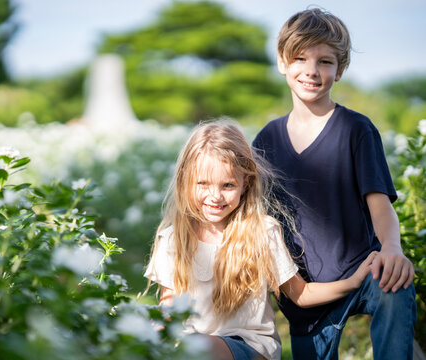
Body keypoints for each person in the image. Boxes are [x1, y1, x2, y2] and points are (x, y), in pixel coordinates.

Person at [252, 8, 417, 360]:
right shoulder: (266, 140)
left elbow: (380, 204)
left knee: (395, 286)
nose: (311, 71)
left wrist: (392, 248)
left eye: (325, 62)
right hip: (305, 295)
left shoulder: (356, 130)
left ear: (339, 70)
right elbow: (250, 215)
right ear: (282, 63)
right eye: (299, 58)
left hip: (364, 269)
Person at [144, 121, 377, 360]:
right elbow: (169, 301)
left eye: (228, 185)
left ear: (245, 183)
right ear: (186, 180)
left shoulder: (261, 232)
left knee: (198, 348)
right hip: (189, 344)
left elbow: (301, 294)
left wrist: (354, 281)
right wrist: (157, 329)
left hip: (250, 346)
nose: (215, 196)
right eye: (202, 184)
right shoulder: (173, 238)